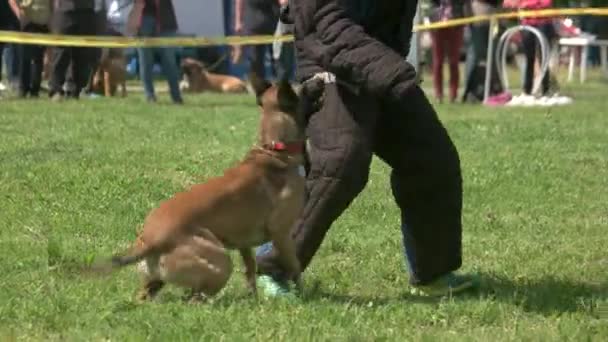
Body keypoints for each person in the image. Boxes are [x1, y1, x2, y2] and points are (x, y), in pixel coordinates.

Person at [254, 1, 479, 298]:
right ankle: (274, 266)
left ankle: (432, 271)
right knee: (340, 162)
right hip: (329, 60)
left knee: (431, 156)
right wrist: (393, 74)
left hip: (379, 59)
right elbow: (327, 25)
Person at [127, 0, 183, 104]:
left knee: (169, 61)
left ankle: (176, 97)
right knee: (145, 61)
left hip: (166, 20)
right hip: (143, 19)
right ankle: (150, 96)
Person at [503, 0, 555, 97]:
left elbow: (546, 3)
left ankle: (546, 90)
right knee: (528, 58)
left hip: (543, 22)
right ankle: (527, 90)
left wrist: (526, 4)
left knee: (543, 57)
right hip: (527, 22)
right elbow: (508, 3)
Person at [48, 0, 97, 100]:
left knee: (83, 54)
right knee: (60, 52)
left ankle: (76, 90)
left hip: (87, 10)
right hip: (65, 9)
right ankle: (55, 90)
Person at [234, 0, 293, 81]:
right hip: (255, 25)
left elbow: (283, 2)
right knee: (256, 61)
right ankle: (261, 87)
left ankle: (280, 87)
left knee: (278, 61)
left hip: (273, 24)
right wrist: (238, 21)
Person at [462, 0, 505, 103]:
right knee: (476, 57)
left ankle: (495, 89)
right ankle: (471, 91)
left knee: (493, 56)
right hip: (478, 18)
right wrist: (469, 17)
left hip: (494, 18)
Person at [9, 0, 53, 98]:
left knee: (38, 59)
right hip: (28, 23)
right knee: (25, 58)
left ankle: (35, 90)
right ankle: (23, 89)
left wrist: (52, 18)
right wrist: (19, 14)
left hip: (43, 23)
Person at [429, 0, 467, 103]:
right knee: (438, 62)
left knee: (454, 62)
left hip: (456, 23)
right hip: (437, 23)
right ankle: (438, 95)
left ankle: (453, 95)